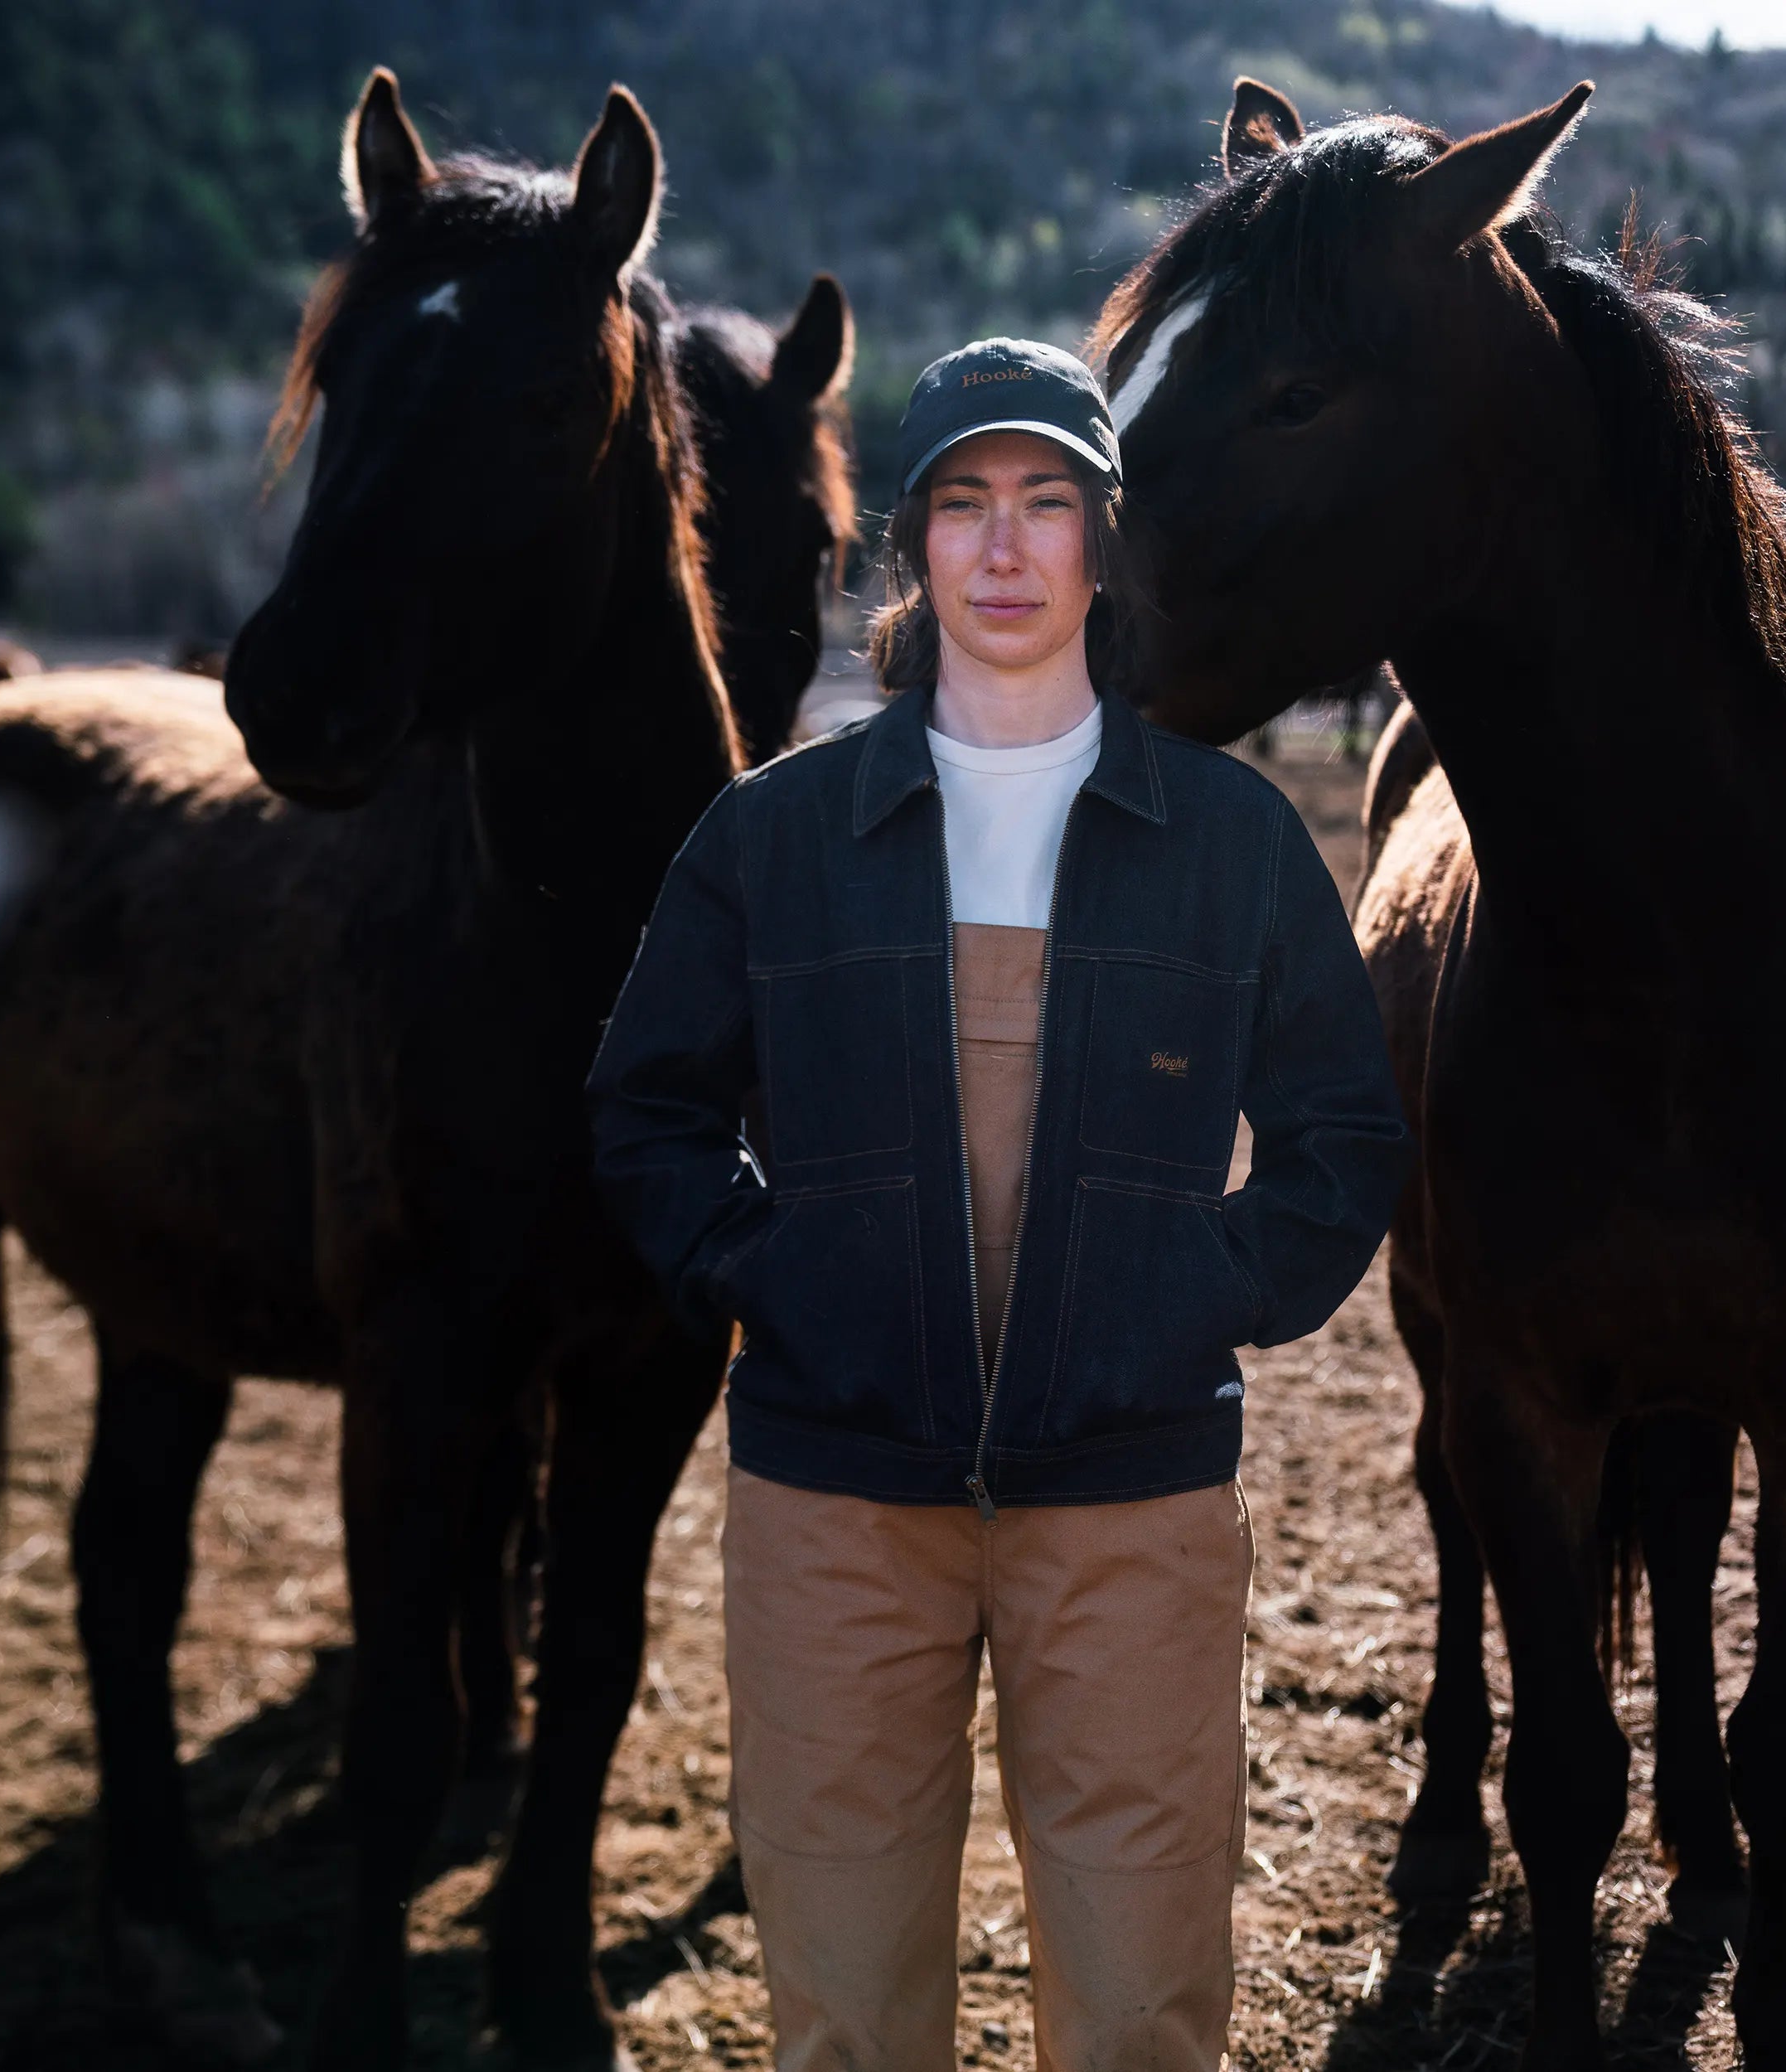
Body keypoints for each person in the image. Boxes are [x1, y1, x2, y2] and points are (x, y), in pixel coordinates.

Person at [588, 337, 1411, 2072]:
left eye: (1046, 502)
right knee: (841, 2003)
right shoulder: (776, 836)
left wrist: (1199, 1290)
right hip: (832, 1509)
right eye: (961, 505)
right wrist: (771, 1273)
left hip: (1129, 1513)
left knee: (1135, 2001)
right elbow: (645, 1107)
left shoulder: (1229, 841)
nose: (1003, 545)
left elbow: (1343, 1134)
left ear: (1105, 545)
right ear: (911, 550)